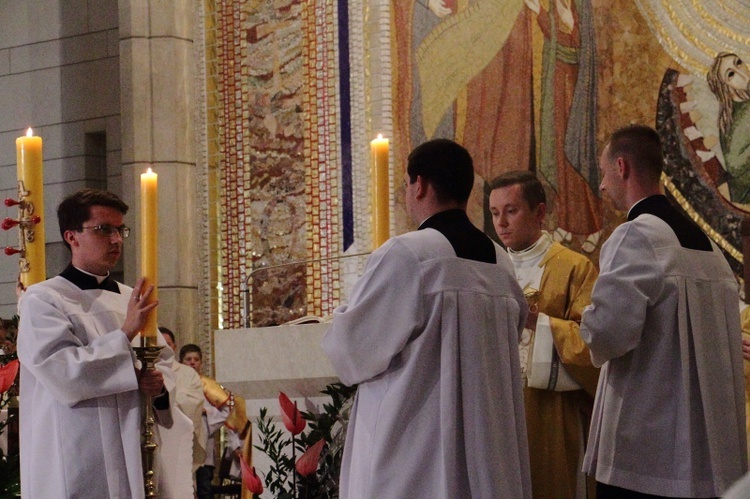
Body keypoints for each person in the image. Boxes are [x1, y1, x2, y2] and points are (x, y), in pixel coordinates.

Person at [322, 139, 531, 498]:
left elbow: (351, 351)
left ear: (419, 185)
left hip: (416, 454)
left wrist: (340, 316)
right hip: (489, 451)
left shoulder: (408, 255)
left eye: (407, 184)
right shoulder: (499, 262)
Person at [580, 125, 748, 497]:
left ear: (622, 167)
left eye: (604, 174)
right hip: (706, 455)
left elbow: (607, 333)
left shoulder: (636, 235)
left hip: (647, 452)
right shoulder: (710, 251)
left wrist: (586, 322)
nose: (603, 186)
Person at [17, 188, 174, 498]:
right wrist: (125, 333)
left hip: (135, 447)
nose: (116, 240)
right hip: (77, 451)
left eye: (120, 230)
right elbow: (61, 372)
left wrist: (160, 387)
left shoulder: (132, 298)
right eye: (104, 229)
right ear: (71, 237)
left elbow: (166, 365)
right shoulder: (44, 299)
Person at [489, 170, 599, 498]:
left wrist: (539, 323)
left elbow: (594, 345)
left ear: (539, 213)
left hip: (552, 412)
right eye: (494, 213)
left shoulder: (575, 268)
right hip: (498, 406)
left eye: (511, 210)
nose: (501, 223)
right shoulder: (490, 269)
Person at [154, 327, 206, 497]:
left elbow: (194, 402)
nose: (161, 347)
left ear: (173, 347)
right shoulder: (145, 370)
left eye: (166, 344)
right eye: (158, 343)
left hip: (176, 439)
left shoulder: (187, 373)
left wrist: (166, 401)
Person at [180, 343, 232, 499]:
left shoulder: (208, 385)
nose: (192, 362)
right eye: (188, 359)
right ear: (181, 362)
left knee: (204, 488)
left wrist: (206, 414)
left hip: (203, 444)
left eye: (196, 359)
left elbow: (226, 411)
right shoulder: (176, 382)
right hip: (182, 443)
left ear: (201, 363)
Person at [707, 52, 750, 203]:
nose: (740, 72)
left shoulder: (737, 110)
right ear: (726, 88)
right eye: (730, 74)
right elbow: (733, 164)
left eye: (738, 62)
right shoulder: (744, 113)